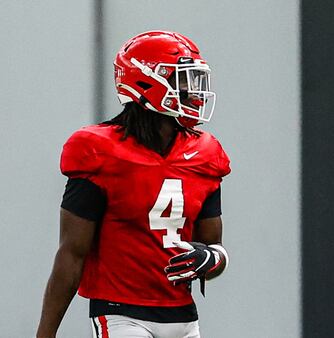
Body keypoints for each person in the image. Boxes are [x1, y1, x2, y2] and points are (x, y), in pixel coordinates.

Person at [36, 30, 231, 338]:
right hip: (121, 313)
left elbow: (214, 250)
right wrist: (45, 333)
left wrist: (213, 258)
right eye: (182, 80)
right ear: (146, 81)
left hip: (183, 316)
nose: (193, 91)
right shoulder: (98, 151)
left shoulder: (205, 153)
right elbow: (72, 254)